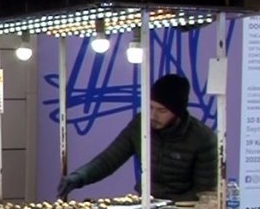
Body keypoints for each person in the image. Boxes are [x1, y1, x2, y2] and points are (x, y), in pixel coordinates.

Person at [58, 74, 217, 202]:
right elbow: (109, 159)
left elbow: (204, 192)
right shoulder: (140, 124)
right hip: (145, 205)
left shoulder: (203, 138)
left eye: (162, 111)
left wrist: (168, 205)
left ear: (178, 113)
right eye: (150, 107)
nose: (153, 116)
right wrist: (79, 177)